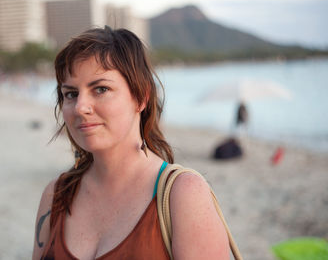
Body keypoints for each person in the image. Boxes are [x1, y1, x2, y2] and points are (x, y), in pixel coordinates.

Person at [32, 26, 230, 260]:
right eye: (71, 94)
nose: (80, 108)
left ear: (141, 97)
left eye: (101, 89)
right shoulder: (56, 195)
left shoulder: (184, 194)